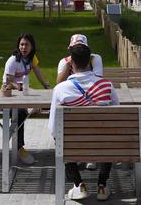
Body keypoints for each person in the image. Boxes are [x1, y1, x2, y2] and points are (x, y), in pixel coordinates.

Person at [50, 42, 118, 202]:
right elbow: (116, 118)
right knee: (110, 135)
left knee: (59, 137)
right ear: (90, 62)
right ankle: (102, 185)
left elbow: (53, 128)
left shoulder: (60, 89)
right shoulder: (107, 86)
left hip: (73, 144)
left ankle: (78, 184)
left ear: (71, 63)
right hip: (103, 144)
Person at [3, 33, 51, 166]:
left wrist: (47, 87)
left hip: (24, 92)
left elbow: (38, 72)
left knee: (49, 106)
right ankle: (19, 147)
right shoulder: (13, 60)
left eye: (26, 45)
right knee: (20, 112)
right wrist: (20, 87)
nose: (23, 47)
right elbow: (8, 81)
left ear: (32, 46)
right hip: (10, 95)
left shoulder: (31, 58)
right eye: (21, 44)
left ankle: (11, 135)